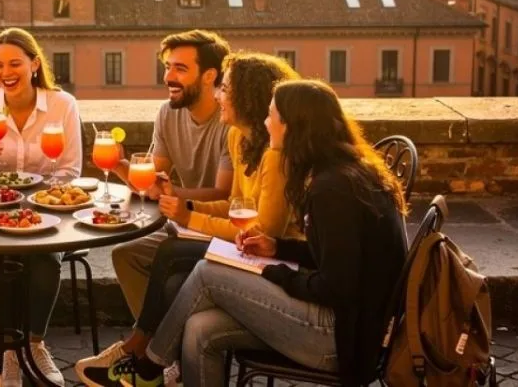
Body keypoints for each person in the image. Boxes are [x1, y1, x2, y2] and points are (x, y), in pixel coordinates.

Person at [114, 79, 409, 387]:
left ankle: (149, 364)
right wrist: (277, 248)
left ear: (295, 126)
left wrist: (275, 273)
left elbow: (335, 287)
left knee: (206, 273)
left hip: (341, 339)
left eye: (272, 115)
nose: (266, 122)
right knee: (201, 328)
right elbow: (337, 257)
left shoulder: (331, 190)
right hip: (346, 323)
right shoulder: (342, 172)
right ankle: (152, 365)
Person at [76, 51, 302, 387]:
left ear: (247, 97)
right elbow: (234, 205)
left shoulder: (276, 155)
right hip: (243, 244)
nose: (217, 97)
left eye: (224, 90)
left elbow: (263, 233)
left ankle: (141, 353)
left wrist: (188, 217)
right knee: (168, 270)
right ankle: (152, 359)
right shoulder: (240, 138)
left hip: (275, 258)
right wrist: (189, 209)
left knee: (170, 255)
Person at [0, 28, 83, 387]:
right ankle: (9, 352)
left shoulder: (62, 105)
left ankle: (34, 343)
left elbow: (70, 169)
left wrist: (40, 200)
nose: (6, 72)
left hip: (47, 209)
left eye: (15, 63)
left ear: (34, 64)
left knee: (45, 256)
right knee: (3, 258)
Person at [110, 30, 234, 320]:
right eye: (167, 67)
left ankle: (154, 350)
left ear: (209, 75)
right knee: (124, 254)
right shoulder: (168, 113)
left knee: (169, 267)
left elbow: (223, 194)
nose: (168, 77)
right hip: (184, 222)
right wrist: (117, 163)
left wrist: (172, 193)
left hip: (221, 228)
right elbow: (152, 180)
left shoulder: (229, 119)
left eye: (180, 68)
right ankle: (155, 348)